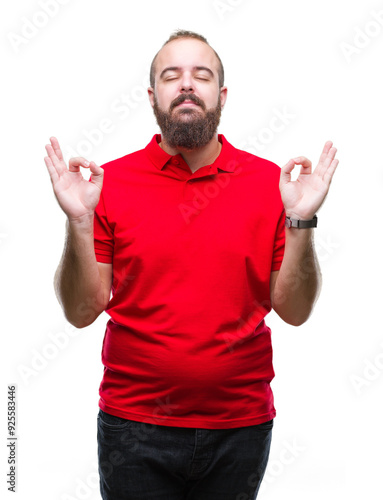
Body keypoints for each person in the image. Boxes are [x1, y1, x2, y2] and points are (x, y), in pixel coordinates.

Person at [44, 29, 339, 500]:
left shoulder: (272, 184)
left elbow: (296, 311)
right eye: (171, 76)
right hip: (133, 427)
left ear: (220, 96)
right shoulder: (106, 184)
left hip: (241, 428)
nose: (186, 85)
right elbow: (81, 311)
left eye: (201, 76)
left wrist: (301, 220)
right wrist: (79, 221)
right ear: (152, 96)